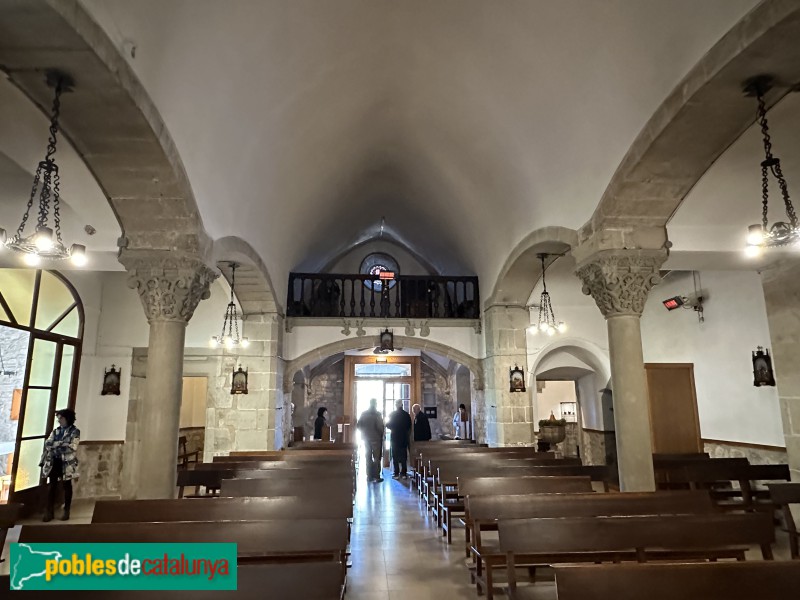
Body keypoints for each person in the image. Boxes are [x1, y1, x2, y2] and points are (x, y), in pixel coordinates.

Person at [40, 408, 80, 522]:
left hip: (66, 462)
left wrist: (56, 445)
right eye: (58, 418)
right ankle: (49, 511)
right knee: (51, 486)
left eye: (61, 418)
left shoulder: (75, 431)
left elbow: (72, 447)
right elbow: (48, 443)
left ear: (67, 418)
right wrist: (61, 443)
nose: (59, 420)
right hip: (54, 461)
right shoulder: (56, 431)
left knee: (67, 486)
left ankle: (66, 510)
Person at [357, 398, 385, 482]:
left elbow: (358, 425)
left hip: (366, 438)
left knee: (368, 457)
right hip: (376, 438)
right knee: (376, 457)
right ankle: (376, 476)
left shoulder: (363, 414)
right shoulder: (377, 414)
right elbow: (379, 426)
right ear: (375, 404)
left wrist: (364, 432)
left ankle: (369, 476)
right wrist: (381, 434)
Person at [386, 400, 412, 479]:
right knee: (404, 456)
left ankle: (396, 473)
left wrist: (393, 428)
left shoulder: (392, 414)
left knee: (395, 456)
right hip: (404, 438)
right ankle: (404, 473)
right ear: (402, 405)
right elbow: (409, 426)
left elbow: (388, 425)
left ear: (396, 405)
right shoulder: (406, 415)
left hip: (395, 438)